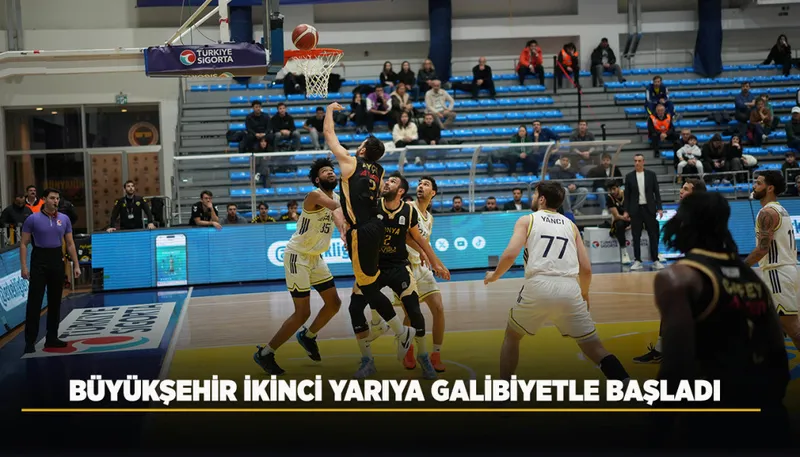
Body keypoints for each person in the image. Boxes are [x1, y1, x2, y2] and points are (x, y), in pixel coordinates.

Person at [654, 191, 790, 445]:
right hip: (768, 416)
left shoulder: (678, 278)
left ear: (684, 221)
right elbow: (778, 360)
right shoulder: (752, 279)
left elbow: (675, 369)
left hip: (713, 418)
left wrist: (657, 427)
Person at [324, 102, 439, 367]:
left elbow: (329, 135)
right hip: (374, 227)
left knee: (367, 286)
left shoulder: (351, 163)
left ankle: (400, 331)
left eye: (362, 144)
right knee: (368, 284)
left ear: (363, 150)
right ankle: (381, 324)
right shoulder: (380, 171)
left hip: (362, 231)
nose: (358, 146)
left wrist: (329, 111)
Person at [484, 181, 630, 382]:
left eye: (535, 194)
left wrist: (494, 275)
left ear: (542, 199)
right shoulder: (571, 225)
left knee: (512, 336)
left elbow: (510, 255)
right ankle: (629, 387)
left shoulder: (527, 220)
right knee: (595, 349)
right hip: (570, 288)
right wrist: (584, 294)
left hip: (539, 284)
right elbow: (586, 268)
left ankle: (504, 392)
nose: (533, 197)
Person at [347, 172, 449, 379]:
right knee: (355, 307)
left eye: (392, 181)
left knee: (418, 310)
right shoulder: (375, 206)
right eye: (387, 180)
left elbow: (419, 239)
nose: (387, 183)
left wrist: (435, 262)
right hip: (373, 265)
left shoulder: (411, 212)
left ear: (401, 190)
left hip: (400, 266)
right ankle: (370, 356)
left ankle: (425, 356)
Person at [254, 158, 348, 375]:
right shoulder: (314, 195)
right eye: (325, 171)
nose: (330, 173)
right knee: (302, 312)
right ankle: (265, 353)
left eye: (332, 170)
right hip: (297, 256)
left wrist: (344, 231)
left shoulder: (336, 197)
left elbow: (338, 214)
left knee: (334, 304)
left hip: (316, 258)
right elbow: (337, 208)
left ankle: (308, 336)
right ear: (317, 179)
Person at [633, 178, 705, 364]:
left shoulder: (699, 216)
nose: (681, 191)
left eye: (686, 189)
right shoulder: (687, 214)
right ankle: (664, 349)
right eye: (682, 187)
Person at [743, 171, 800, 351]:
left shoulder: (767, 213)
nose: (754, 186)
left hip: (778, 274)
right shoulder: (780, 209)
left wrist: (741, 267)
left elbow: (762, 249)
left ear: (770, 188)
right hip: (784, 271)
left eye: (758, 183)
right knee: (770, 325)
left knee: (794, 330)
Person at [20, 188, 81, 354]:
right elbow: (24, 243)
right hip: (39, 260)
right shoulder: (33, 219)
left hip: (56, 259)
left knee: (55, 301)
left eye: (57, 198)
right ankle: (30, 341)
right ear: (44, 199)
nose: (56, 201)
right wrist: (24, 267)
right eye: (52, 198)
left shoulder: (64, 219)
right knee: (35, 302)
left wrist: (76, 264)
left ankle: (52, 337)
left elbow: (70, 244)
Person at [623, 154, 664, 271]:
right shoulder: (629, 176)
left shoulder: (651, 175)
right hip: (635, 209)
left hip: (649, 208)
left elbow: (656, 192)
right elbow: (627, 195)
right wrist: (626, 210)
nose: (637, 163)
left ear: (643, 162)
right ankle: (637, 260)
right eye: (635, 161)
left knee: (653, 234)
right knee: (636, 236)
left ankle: (655, 259)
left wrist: (659, 207)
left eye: (639, 161)